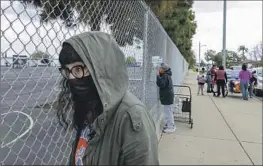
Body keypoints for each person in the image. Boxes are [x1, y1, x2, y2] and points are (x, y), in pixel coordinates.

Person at [56, 32, 159, 165]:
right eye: (67, 71)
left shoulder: (132, 116)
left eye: (77, 69)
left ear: (101, 69)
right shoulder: (90, 107)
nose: (71, 78)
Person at [156, 63, 175, 133]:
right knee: (168, 111)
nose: (159, 69)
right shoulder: (166, 75)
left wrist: (158, 76)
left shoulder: (166, 76)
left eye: (160, 68)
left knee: (168, 112)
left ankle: (171, 127)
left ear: (164, 70)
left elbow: (161, 84)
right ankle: (169, 124)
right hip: (168, 96)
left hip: (167, 96)